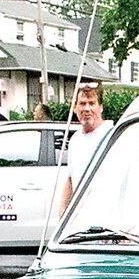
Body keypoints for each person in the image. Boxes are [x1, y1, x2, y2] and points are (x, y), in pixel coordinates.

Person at [57, 83, 112, 217]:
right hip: (80, 221)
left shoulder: (112, 136)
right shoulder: (75, 139)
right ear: (75, 108)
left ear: (101, 108)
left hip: (106, 223)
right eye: (82, 103)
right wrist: (62, 213)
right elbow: (71, 178)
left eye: (92, 103)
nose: (87, 109)